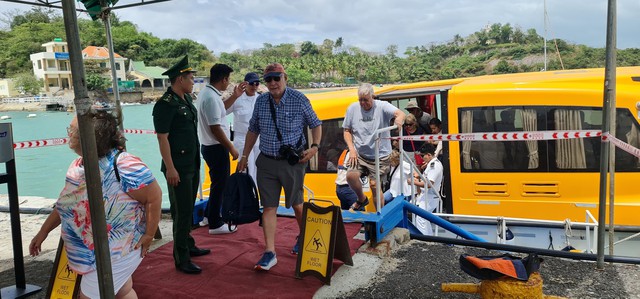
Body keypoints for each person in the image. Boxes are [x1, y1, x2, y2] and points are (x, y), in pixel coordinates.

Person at [29, 108, 162, 298]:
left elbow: (154, 197)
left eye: (72, 130)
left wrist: (149, 234)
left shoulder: (125, 165)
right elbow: (65, 206)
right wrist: (43, 231)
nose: (68, 133)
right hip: (91, 252)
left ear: (89, 137)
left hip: (119, 251)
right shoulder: (77, 166)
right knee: (122, 291)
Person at [236, 63, 322, 271]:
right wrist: (245, 155)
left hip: (292, 163)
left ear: (285, 78)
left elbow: (315, 124)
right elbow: (253, 130)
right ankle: (270, 252)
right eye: (268, 79)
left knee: (297, 203)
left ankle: (303, 237)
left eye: (277, 78)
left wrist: (314, 148)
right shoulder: (261, 102)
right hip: (266, 160)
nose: (273, 83)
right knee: (269, 206)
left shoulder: (299, 99)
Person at [153, 55, 210, 274]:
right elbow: (162, 138)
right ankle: (181, 257)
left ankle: (189, 244)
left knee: (187, 207)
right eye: (190, 77)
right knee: (182, 212)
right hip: (177, 167)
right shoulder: (165, 105)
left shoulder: (185, 100)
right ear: (179, 79)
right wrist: (170, 168)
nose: (193, 81)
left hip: (191, 163)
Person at [196, 63, 246, 234]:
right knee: (220, 185)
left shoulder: (208, 93)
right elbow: (215, 127)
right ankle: (216, 224)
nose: (228, 82)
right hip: (216, 147)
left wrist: (235, 96)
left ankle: (209, 216)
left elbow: (221, 109)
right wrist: (231, 147)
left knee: (217, 184)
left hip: (210, 146)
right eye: (228, 79)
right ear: (224, 79)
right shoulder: (210, 97)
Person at [343, 83, 405, 211]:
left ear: (373, 97)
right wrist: (352, 149)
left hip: (380, 156)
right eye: (360, 100)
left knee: (374, 185)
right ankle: (361, 199)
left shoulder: (382, 106)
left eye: (366, 100)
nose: (363, 103)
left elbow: (400, 113)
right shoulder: (352, 109)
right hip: (360, 154)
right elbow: (347, 130)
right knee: (350, 177)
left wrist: (399, 119)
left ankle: (379, 214)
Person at [225, 72, 262, 182]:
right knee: (247, 170)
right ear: (245, 84)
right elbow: (223, 111)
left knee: (259, 169)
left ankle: (256, 196)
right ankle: (248, 197)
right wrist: (234, 96)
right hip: (242, 139)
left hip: (259, 139)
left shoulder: (261, 99)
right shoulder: (237, 99)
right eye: (251, 84)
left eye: (257, 83)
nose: (254, 86)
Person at [409, 143, 443, 235]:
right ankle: (429, 239)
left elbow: (429, 184)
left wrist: (413, 182)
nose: (421, 158)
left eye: (422, 156)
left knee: (421, 219)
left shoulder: (434, 166)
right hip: (427, 197)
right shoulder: (431, 164)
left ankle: (424, 240)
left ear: (428, 155)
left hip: (430, 197)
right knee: (425, 219)